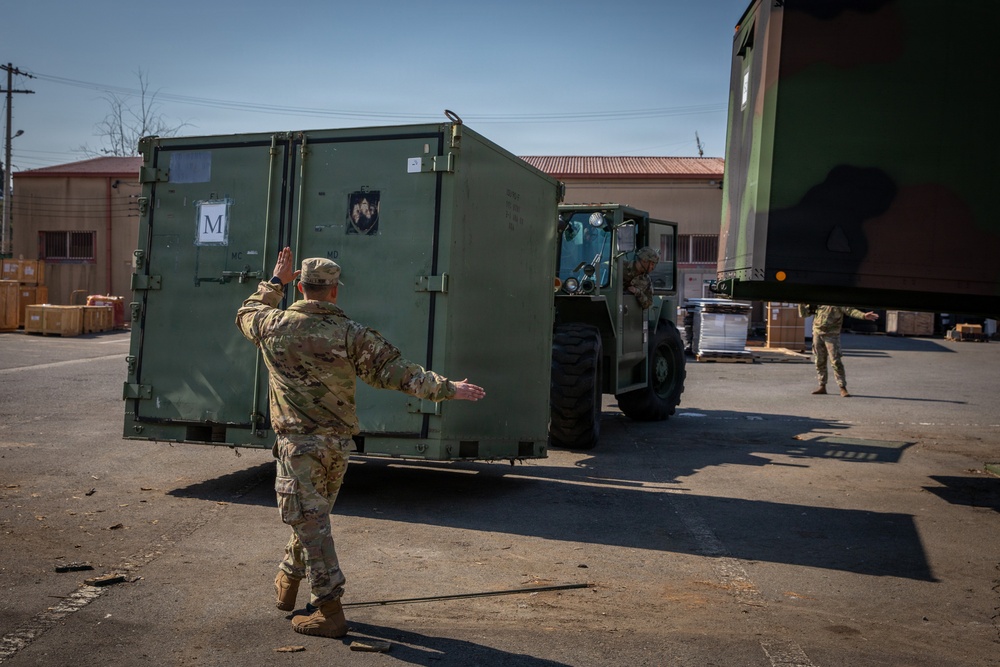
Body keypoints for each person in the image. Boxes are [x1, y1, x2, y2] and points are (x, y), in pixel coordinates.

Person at [236, 247, 485, 638]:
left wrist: (274, 284)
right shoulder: (352, 334)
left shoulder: (272, 325)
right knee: (311, 519)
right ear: (335, 292)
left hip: (297, 446)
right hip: (337, 447)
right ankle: (288, 576)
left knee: (311, 523)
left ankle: (329, 611)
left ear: (301, 287)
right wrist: (449, 388)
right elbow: (400, 374)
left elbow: (246, 313)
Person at [798, 304, 879, 397]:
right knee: (819, 361)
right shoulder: (819, 302)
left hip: (832, 335)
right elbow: (804, 314)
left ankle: (842, 387)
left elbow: (850, 310)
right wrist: (801, 304)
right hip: (817, 333)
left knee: (836, 362)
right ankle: (822, 385)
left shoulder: (837, 303)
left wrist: (863, 316)